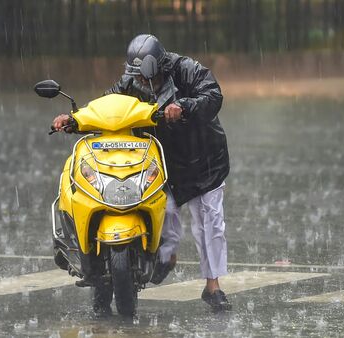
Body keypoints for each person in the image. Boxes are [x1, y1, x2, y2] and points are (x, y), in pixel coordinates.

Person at [52, 34, 231, 312]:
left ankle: (213, 286)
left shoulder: (187, 69)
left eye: (149, 79)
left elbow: (213, 94)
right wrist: (75, 119)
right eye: (139, 79)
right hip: (162, 161)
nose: (145, 85)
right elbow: (106, 106)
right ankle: (163, 259)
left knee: (209, 224)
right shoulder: (131, 83)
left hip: (202, 160)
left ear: (161, 67)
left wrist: (183, 106)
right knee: (166, 220)